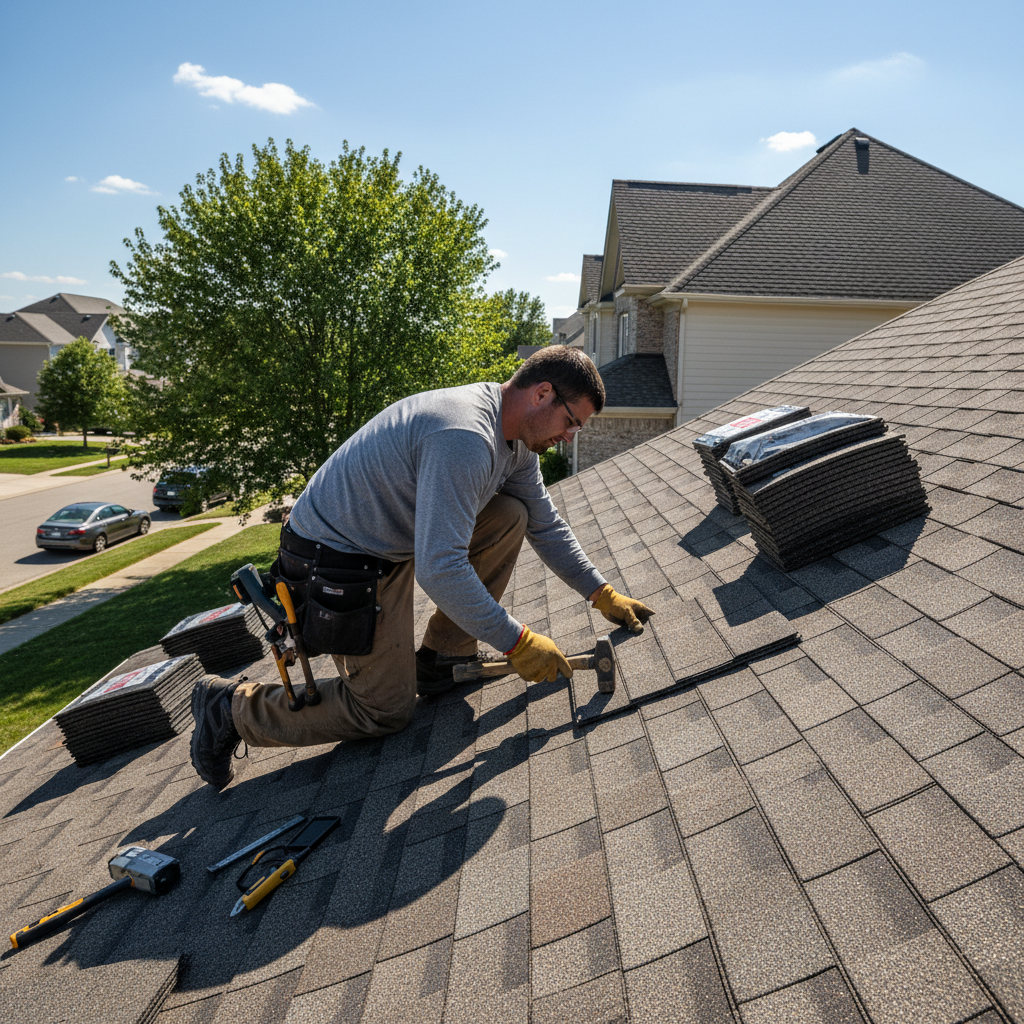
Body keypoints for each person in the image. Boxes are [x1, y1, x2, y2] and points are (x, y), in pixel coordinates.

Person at [189, 347, 654, 787]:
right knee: (382, 711)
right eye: (571, 422)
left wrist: (600, 593)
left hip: (391, 538)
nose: (569, 437)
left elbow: (546, 526)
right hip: (337, 560)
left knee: (513, 514)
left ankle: (442, 658)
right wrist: (517, 641)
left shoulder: (515, 443)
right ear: (542, 394)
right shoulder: (467, 438)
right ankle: (230, 709)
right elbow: (441, 568)